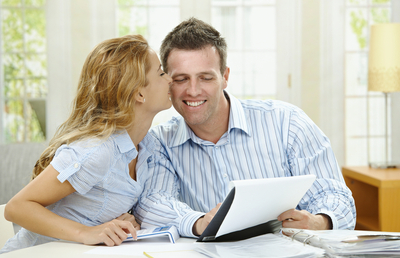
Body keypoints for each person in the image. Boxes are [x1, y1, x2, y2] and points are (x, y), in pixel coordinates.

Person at [134, 17, 356, 238]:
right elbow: (152, 202)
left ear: (225, 77)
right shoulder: (158, 142)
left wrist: (320, 222)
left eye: (206, 78)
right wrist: (199, 222)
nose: (193, 91)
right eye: (181, 79)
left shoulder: (287, 122)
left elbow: (336, 195)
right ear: (167, 83)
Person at [1, 34, 172, 254]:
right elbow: (17, 208)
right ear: (139, 92)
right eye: (161, 72)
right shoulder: (97, 150)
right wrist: (85, 232)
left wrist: (123, 222)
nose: (169, 79)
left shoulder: (147, 147)